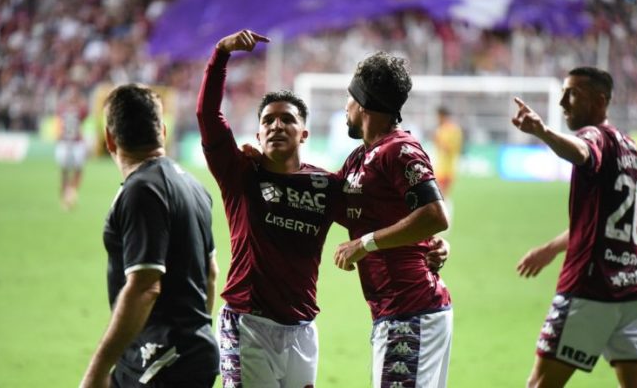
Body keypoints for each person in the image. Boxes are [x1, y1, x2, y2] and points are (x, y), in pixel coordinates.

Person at [196, 30, 450, 388]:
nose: (276, 125)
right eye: (267, 121)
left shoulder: (328, 185)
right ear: (256, 135)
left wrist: (430, 244)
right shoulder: (241, 175)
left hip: (303, 330)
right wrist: (221, 53)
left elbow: (385, 218)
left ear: (304, 134)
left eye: (287, 120)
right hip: (248, 324)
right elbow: (207, 116)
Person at [79, 84, 219, 388]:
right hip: (179, 355)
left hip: (159, 361)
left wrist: (97, 370)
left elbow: (145, 287)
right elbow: (210, 274)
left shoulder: (141, 191)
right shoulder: (195, 187)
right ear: (163, 132)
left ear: (109, 140)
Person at [512, 67, 637, 388]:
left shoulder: (594, 136)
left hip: (590, 289)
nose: (562, 102)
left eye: (571, 94)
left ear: (600, 101)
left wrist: (543, 132)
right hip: (633, 291)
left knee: (539, 385)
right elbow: (602, 223)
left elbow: (582, 152)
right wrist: (551, 248)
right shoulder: (632, 149)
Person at [333, 51, 453, 388]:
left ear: (364, 105)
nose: (345, 106)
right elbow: (327, 196)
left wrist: (365, 243)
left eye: (349, 97)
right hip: (396, 311)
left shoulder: (400, 150)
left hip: (412, 309)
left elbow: (434, 214)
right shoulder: (360, 158)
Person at [55, 85, 89, 210]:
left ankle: (71, 192)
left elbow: (86, 112)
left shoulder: (79, 109)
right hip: (65, 142)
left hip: (76, 142)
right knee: (64, 170)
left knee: (78, 168)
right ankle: (65, 194)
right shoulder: (62, 108)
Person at [433, 106, 463, 198]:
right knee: (441, 196)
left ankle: (445, 212)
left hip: (446, 169)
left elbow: (449, 149)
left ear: (442, 116)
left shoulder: (450, 130)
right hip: (444, 169)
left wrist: (439, 142)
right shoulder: (445, 129)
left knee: (441, 196)